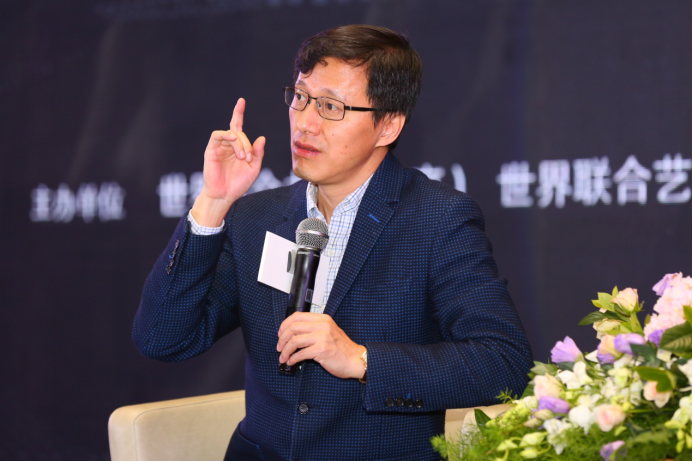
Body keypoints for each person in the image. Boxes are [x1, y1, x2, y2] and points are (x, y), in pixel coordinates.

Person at [134, 24, 533, 461]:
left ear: (388, 125)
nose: (305, 123)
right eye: (300, 98)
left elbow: (503, 363)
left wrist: (361, 360)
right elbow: (162, 338)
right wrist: (213, 203)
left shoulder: (436, 219)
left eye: (330, 107)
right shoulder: (256, 218)